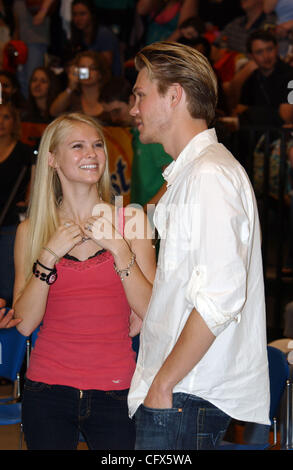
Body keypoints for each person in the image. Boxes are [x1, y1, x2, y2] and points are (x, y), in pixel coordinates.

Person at [127, 41, 270, 450]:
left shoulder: (209, 175)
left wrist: (164, 383)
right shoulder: (193, 174)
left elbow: (221, 296)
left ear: (174, 96)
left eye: (140, 94)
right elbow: (185, 283)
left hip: (187, 391)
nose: (133, 108)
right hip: (183, 390)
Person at [13, 112, 156, 450]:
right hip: (46, 391)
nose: (91, 154)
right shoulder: (30, 231)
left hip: (117, 389)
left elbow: (151, 309)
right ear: (52, 158)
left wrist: (120, 249)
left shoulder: (131, 220)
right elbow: (24, 322)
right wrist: (48, 256)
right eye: (77, 146)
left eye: (96, 145)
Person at [100, 76, 173, 210]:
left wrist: (146, 211)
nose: (114, 119)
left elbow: (172, 181)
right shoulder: (133, 133)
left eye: (117, 111)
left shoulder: (152, 134)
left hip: (155, 216)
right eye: (109, 114)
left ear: (132, 99)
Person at [0, 103, 35, 305]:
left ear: (14, 122)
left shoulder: (24, 152)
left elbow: (34, 181)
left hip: (12, 223)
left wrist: (28, 201)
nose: (1, 122)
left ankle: (7, 334)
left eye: (6, 117)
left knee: (7, 282)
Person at [235, 29, 293, 127]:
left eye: (269, 49)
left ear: (277, 48)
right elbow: (239, 111)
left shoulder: (290, 75)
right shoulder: (251, 79)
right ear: (250, 56)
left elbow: (286, 117)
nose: (266, 56)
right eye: (259, 52)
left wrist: (250, 112)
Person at [50, 50, 111, 122]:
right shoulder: (73, 97)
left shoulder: (109, 97)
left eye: (92, 68)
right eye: (83, 68)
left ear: (100, 73)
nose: (88, 72)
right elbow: (53, 112)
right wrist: (70, 88)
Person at [65, 0, 122, 76]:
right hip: (86, 78)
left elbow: (105, 67)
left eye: (82, 14)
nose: (78, 19)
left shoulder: (104, 34)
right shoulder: (77, 34)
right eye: (74, 14)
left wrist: (77, 73)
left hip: (107, 80)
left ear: (92, 14)